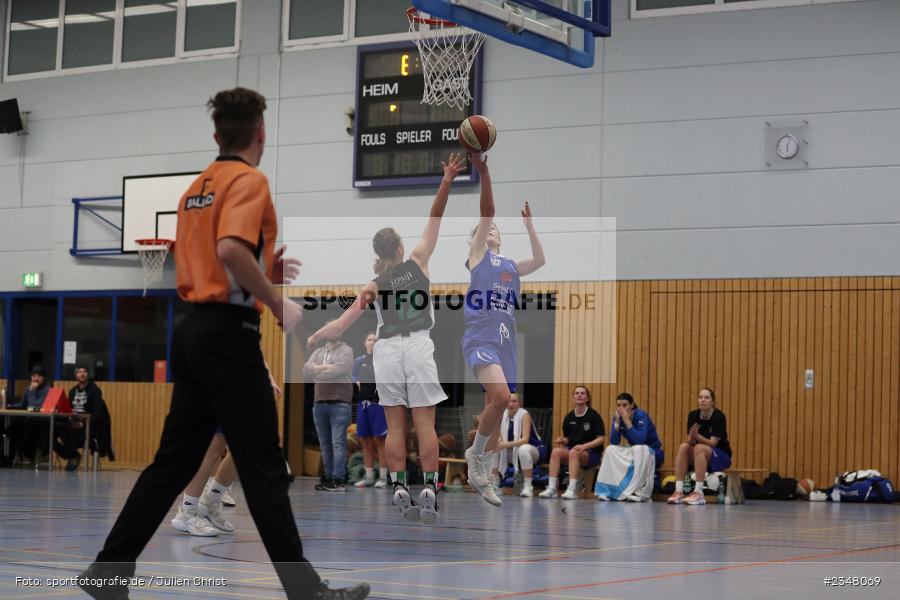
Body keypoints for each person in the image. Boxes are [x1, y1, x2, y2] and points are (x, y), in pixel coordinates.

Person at [77, 87, 368, 600]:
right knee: (264, 467)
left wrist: (262, 269)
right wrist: (276, 300)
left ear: (216, 135)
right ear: (262, 133)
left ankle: (107, 573)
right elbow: (231, 248)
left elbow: (216, 257)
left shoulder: (195, 189)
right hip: (229, 337)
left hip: (191, 330)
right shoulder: (250, 180)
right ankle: (306, 592)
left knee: (171, 464)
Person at [307, 153, 467, 526]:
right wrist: (446, 180)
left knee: (394, 425)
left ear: (379, 254)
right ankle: (430, 487)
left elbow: (341, 324)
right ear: (399, 249)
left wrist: (316, 334)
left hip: (388, 350)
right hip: (417, 345)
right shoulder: (418, 261)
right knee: (424, 423)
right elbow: (436, 218)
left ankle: (397, 485)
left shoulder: (374, 284)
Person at [462, 153, 546, 507]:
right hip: (481, 335)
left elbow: (540, 260)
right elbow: (488, 211)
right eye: (487, 229)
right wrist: (484, 171)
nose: (492, 229)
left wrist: (530, 227)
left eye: (497, 229)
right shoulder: (478, 256)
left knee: (495, 411)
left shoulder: (509, 265)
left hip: (506, 340)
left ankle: (485, 473)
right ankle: (475, 456)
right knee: (500, 398)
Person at [304, 330, 354, 492]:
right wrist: (323, 367)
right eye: (328, 330)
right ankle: (328, 476)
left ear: (341, 332)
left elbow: (336, 371)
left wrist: (317, 370)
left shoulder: (346, 351)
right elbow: (306, 370)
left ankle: (338, 479)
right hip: (319, 403)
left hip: (339, 403)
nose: (332, 332)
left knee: (338, 443)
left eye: (335, 329)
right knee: (325, 443)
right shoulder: (319, 351)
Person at [667, 387, 732, 506]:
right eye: (700, 397)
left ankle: (698, 492)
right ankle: (679, 491)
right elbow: (690, 442)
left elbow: (713, 443)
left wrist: (698, 436)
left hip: (721, 455)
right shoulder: (693, 415)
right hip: (700, 455)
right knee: (683, 447)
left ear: (712, 402)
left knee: (699, 447)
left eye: (706, 397)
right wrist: (692, 437)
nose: (703, 400)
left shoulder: (718, 416)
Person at [538, 386, 605, 500]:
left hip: (591, 453)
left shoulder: (593, 416)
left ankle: (572, 489)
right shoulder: (569, 417)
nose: (579, 395)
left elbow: (601, 439)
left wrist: (584, 446)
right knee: (556, 451)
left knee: (574, 452)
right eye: (577, 393)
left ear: (587, 398)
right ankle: (552, 488)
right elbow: (569, 439)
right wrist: (564, 440)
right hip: (574, 452)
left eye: (582, 393)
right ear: (573, 397)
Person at [594, 392, 663, 502]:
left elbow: (640, 440)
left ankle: (638, 492)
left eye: (625, 405)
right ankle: (607, 491)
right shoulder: (618, 417)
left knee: (639, 449)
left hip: (653, 452)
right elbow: (614, 442)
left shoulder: (641, 415)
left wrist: (627, 421)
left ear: (632, 405)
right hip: (635, 451)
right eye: (618, 405)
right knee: (610, 449)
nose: (621, 408)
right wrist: (617, 424)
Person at [352, 331, 388, 489]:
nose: (372, 342)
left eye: (375, 340)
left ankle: (383, 477)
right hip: (363, 404)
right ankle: (368, 476)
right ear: (364, 343)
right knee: (365, 440)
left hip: (378, 404)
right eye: (370, 339)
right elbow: (354, 375)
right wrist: (357, 382)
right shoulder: (359, 361)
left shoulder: (384, 361)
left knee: (380, 440)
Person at [492, 393, 547, 498]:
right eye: (509, 401)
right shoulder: (502, 415)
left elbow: (525, 440)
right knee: (494, 449)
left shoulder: (524, 415)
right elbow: (500, 439)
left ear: (520, 404)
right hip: (513, 450)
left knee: (523, 449)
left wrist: (505, 444)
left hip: (534, 450)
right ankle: (494, 484)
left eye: (514, 401)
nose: (511, 404)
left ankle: (528, 487)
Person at [54, 365, 102, 471]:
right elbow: (69, 410)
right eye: (79, 372)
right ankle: (73, 455)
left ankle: (73, 457)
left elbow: (98, 413)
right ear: (76, 376)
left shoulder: (95, 390)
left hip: (88, 427)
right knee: (51, 432)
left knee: (65, 433)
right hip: (73, 423)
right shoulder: (72, 391)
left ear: (87, 375)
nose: (82, 374)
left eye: (84, 371)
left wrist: (81, 424)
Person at [9, 365, 51, 463]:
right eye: (33, 376)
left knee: (27, 427)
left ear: (43, 378)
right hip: (29, 420)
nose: (36, 378)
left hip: (41, 421)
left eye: (39, 376)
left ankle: (31, 454)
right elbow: (22, 404)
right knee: (10, 430)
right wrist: (9, 406)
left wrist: (32, 392)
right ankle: (26, 453)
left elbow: (37, 406)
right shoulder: (28, 389)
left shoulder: (48, 390)